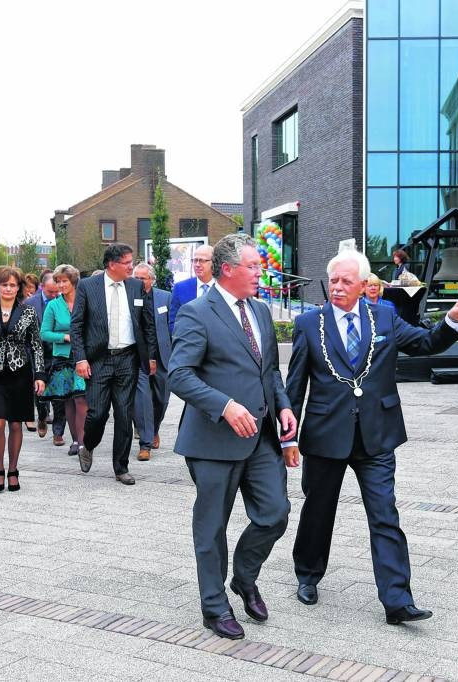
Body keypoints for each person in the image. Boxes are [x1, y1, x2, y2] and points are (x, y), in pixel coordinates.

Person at [283, 249, 458, 625]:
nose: (338, 288)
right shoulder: (311, 324)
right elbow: (295, 386)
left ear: (364, 285)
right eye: (334, 281)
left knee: (385, 515)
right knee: (318, 511)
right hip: (326, 435)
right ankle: (307, 575)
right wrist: (288, 438)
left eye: (346, 282)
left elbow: (424, 344)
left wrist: (452, 321)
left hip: (376, 434)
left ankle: (397, 600)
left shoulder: (384, 317)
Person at [168, 233, 298, 641]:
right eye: (254, 266)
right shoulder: (196, 313)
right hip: (212, 441)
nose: (261, 273)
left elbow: (270, 372)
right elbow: (179, 374)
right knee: (211, 527)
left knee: (275, 513)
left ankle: (244, 578)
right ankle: (214, 606)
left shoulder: (259, 311)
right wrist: (224, 405)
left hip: (260, 437)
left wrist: (283, 406)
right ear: (228, 270)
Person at [70, 243, 157, 485]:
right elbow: (76, 325)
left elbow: (148, 324)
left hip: (127, 359)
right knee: (97, 414)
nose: (132, 267)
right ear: (112, 264)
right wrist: (80, 358)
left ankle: (121, 467)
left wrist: (150, 356)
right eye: (127, 263)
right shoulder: (88, 286)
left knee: (123, 414)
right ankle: (87, 445)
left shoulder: (137, 287)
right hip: (98, 359)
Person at [0, 266, 46, 493]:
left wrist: (40, 375)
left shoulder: (28, 312)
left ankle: (13, 469)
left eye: (13, 285)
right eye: (4, 284)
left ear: (19, 287)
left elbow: (36, 346)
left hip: (20, 372)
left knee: (15, 424)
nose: (9, 288)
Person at [40, 265, 86, 456]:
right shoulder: (53, 305)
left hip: (82, 356)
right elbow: (44, 333)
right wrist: (64, 337)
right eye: (57, 281)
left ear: (73, 281)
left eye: (64, 281)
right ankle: (75, 440)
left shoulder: (84, 301)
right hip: (62, 357)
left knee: (81, 399)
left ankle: (83, 443)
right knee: (68, 401)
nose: (60, 285)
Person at [131, 263, 172, 461]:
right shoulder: (128, 297)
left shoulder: (165, 297)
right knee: (143, 400)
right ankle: (145, 443)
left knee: (162, 399)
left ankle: (153, 428)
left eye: (143, 278)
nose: (139, 282)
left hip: (164, 356)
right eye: (136, 278)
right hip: (137, 358)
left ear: (151, 280)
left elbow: (172, 326)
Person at [24, 270, 64, 440]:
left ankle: (58, 432)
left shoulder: (64, 302)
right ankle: (41, 415)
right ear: (41, 287)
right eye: (50, 292)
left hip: (58, 353)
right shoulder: (29, 304)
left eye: (57, 291)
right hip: (37, 354)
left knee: (59, 394)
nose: (55, 295)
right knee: (40, 391)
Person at [168, 244, 214, 333]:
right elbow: (174, 322)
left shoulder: (223, 287)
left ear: (214, 262)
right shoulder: (180, 288)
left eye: (202, 261)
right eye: (195, 260)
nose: (197, 264)